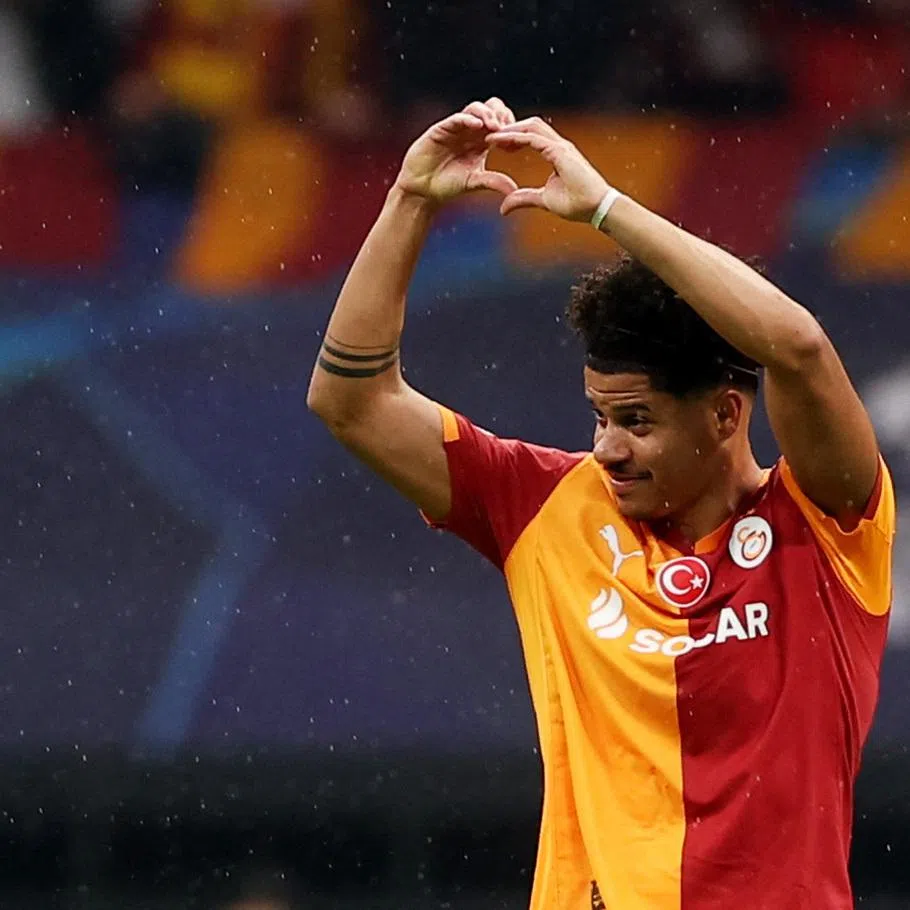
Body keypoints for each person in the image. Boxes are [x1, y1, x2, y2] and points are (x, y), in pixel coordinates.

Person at [306, 98, 895, 909]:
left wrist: (607, 211)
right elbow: (351, 399)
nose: (608, 447)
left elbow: (793, 346)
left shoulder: (827, 526)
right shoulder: (545, 506)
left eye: (638, 420)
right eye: (601, 415)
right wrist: (410, 200)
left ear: (726, 414)